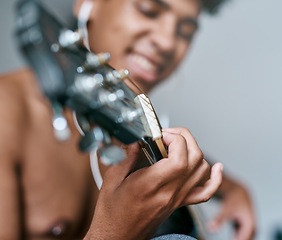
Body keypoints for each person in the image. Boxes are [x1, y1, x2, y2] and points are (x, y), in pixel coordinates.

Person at [0, 0, 255, 240]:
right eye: (148, 10)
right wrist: (111, 233)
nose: (167, 42)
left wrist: (233, 188)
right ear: (88, 3)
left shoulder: (131, 127)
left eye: (185, 31)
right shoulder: (7, 112)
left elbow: (169, 152)